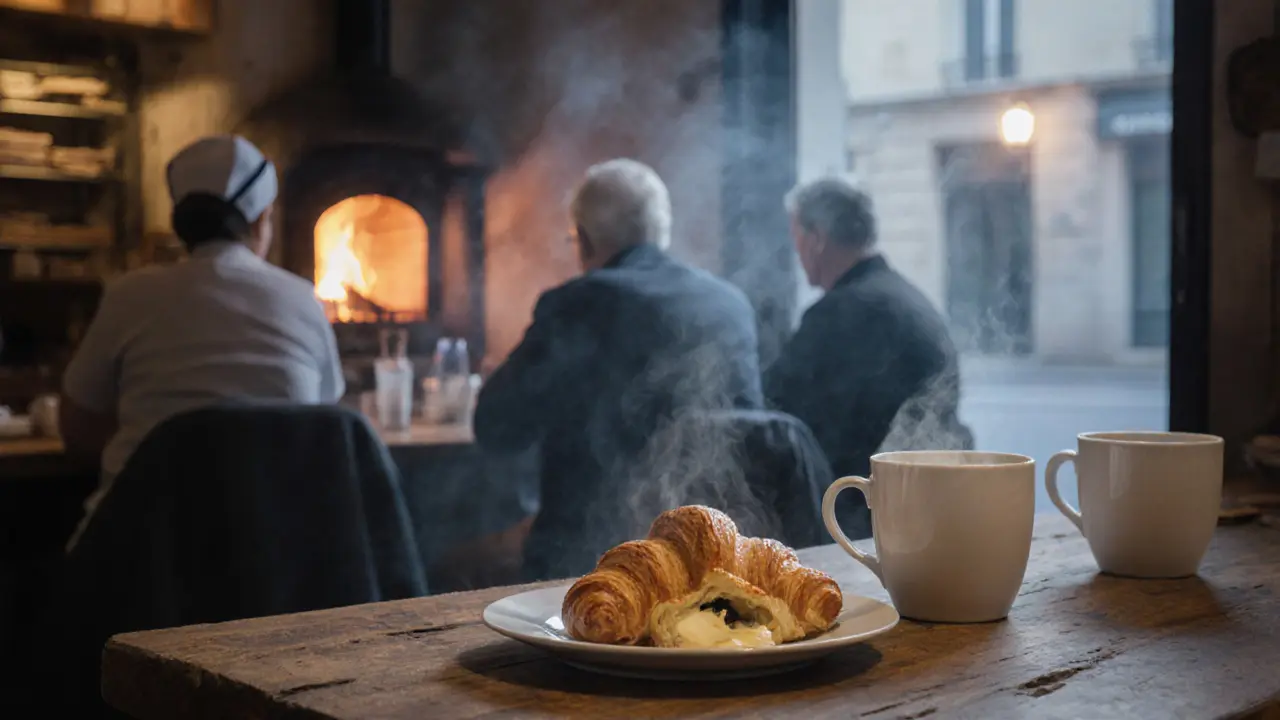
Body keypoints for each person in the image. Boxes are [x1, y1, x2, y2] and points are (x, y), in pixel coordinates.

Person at [473, 159, 763, 580]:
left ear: (585, 240)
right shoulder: (729, 303)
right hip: (716, 553)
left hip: (595, 557)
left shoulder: (579, 303)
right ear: (659, 232)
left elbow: (495, 427)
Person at [59, 134, 345, 549]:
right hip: (276, 556)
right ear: (263, 219)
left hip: (139, 556)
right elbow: (326, 427)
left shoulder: (129, 294)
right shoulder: (304, 299)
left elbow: (77, 431)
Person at [765, 178, 972, 522]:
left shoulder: (839, 314)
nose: (797, 251)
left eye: (797, 238)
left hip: (874, 516)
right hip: (939, 500)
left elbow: (780, 414)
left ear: (816, 240)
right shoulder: (907, 298)